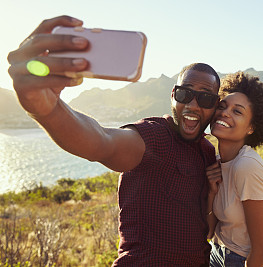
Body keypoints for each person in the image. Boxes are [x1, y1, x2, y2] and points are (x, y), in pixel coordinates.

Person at [7, 16, 221, 266]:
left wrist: (214, 192)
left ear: (216, 105)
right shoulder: (155, 136)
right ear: (173, 95)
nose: (193, 105)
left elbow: (206, 231)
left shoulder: (207, 151)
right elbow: (102, 141)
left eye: (205, 99)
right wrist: (47, 110)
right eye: (185, 94)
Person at [205, 72, 263, 267]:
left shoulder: (246, 166)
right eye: (222, 106)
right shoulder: (217, 162)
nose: (225, 113)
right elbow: (208, 232)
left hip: (247, 261)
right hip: (218, 253)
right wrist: (212, 193)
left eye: (237, 111)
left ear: (251, 128)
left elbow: (261, 249)